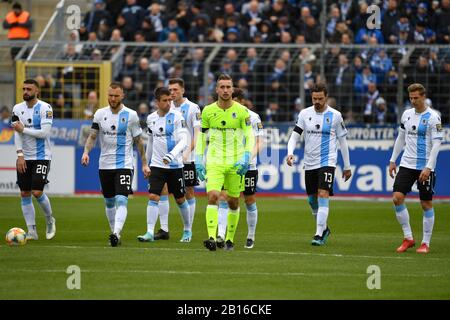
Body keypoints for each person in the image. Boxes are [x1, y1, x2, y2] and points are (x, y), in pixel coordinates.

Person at [81, 82, 150, 247]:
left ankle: (116, 232)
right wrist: (85, 152)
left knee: (122, 199)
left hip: (124, 164)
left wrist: (144, 164)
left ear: (122, 96)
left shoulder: (131, 115)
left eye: (116, 96)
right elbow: (92, 136)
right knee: (109, 202)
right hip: (104, 165)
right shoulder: (99, 114)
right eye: (110, 95)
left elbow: (138, 141)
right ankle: (115, 234)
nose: (112, 98)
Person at [286, 83, 352, 246]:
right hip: (310, 162)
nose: (317, 101)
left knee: (323, 193)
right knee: (311, 200)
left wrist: (347, 166)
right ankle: (324, 228)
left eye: (320, 99)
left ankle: (318, 233)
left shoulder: (335, 116)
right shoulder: (304, 113)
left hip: (327, 161)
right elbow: (295, 136)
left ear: (326, 97)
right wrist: (290, 152)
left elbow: (342, 141)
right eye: (314, 98)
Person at [196, 74, 254, 251]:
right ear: (217, 89)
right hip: (214, 161)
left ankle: (229, 239)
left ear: (233, 89)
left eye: (228, 87)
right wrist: (198, 158)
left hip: (236, 163)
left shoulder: (242, 111)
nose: (226, 90)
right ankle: (212, 237)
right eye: (222, 87)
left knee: (233, 201)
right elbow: (201, 136)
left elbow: (249, 136)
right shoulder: (207, 111)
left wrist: (246, 157)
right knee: (213, 196)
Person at [389, 83, 443, 254]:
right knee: (397, 198)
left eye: (416, 98)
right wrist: (392, 160)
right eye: (410, 98)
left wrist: (428, 167)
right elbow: (401, 138)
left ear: (423, 96)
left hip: (425, 167)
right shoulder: (406, 114)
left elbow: (437, 144)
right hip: (406, 164)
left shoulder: (434, 117)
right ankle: (408, 238)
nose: (413, 101)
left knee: (426, 203)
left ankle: (425, 243)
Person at [137, 87, 191, 243]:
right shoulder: (151, 118)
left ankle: (187, 230)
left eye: (170, 100)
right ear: (157, 102)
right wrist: (145, 164)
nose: (168, 103)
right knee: (153, 196)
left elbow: (184, 141)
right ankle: (149, 232)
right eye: (165, 100)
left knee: (180, 199)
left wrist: (171, 155)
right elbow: (151, 141)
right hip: (157, 165)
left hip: (175, 166)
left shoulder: (177, 117)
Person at [150, 78, 201, 242]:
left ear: (183, 90)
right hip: (165, 160)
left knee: (187, 192)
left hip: (186, 157)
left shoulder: (193, 108)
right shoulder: (166, 108)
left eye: (175, 90)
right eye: (170, 90)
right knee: (163, 190)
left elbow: (197, 134)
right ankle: (164, 229)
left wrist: (186, 153)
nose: (172, 93)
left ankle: (189, 229)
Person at [217, 88, 264, 249]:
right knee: (225, 198)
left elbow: (259, 142)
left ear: (242, 101)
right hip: (228, 165)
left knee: (249, 200)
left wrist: (247, 158)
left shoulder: (253, 117)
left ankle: (251, 236)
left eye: (235, 100)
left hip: (248, 166)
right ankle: (222, 236)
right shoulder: (223, 114)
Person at [11, 79, 56, 241]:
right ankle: (32, 232)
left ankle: (50, 219)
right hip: (25, 157)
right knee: (24, 193)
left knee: (37, 192)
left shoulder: (45, 108)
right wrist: (20, 155)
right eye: (23, 88)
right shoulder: (17, 108)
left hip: (42, 156)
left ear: (37, 91)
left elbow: (44, 133)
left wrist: (24, 129)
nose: (25, 91)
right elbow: (17, 133)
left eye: (29, 89)